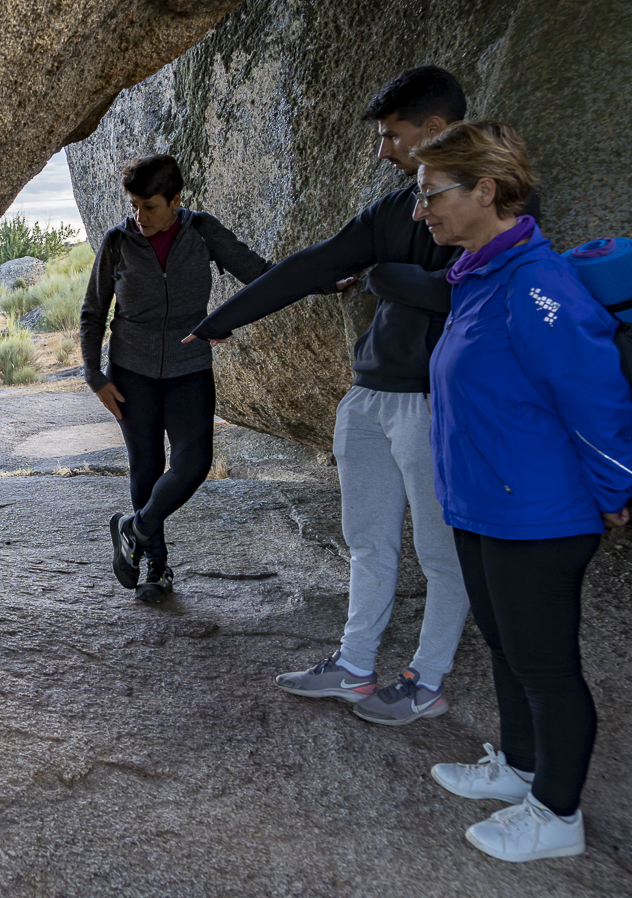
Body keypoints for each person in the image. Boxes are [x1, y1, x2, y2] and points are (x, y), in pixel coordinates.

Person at [183, 66, 511, 725]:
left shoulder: (493, 204)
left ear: (435, 130)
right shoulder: (393, 210)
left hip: (432, 404)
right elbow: (313, 265)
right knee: (367, 538)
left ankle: (428, 678)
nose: (383, 150)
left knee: (442, 553)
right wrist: (219, 322)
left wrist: (386, 274)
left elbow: (467, 293)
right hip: (367, 399)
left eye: (393, 136)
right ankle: (355, 667)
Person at [414, 121, 632, 862]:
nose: (422, 210)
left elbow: (595, 398)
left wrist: (616, 489)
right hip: (486, 506)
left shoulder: (536, 284)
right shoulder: (478, 279)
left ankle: (558, 815)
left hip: (539, 514)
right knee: (508, 650)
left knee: (545, 665)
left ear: (486, 190)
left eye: (431, 194)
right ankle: (519, 770)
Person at [80, 154, 272, 604]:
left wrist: (322, 280)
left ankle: (134, 528)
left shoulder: (201, 231)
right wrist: (94, 375)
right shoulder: (117, 244)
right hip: (132, 372)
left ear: (175, 200)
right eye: (134, 206)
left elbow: (260, 275)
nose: (139, 217)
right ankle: (156, 568)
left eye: (150, 206)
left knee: (193, 463)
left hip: (189, 369)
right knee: (146, 468)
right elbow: (93, 313)